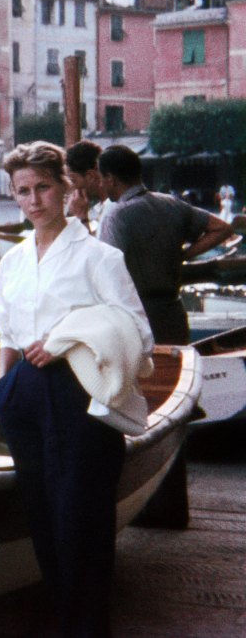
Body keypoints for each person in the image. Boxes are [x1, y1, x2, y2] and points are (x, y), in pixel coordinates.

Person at [0, 141, 152, 637]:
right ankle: (65, 618)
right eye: (23, 191)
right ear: (14, 196)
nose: (34, 199)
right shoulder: (13, 261)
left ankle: (88, 627)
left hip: (79, 393)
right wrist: (3, 391)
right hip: (23, 395)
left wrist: (66, 340)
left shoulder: (99, 257)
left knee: (80, 518)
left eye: (43, 187)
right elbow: (5, 331)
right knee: (41, 515)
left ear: (66, 188)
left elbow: (138, 331)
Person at [97, 144, 233, 529]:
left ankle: (145, 504)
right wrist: (184, 255)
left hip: (137, 319)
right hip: (173, 313)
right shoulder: (171, 205)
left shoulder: (116, 215)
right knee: (174, 411)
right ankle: (174, 506)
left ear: (109, 178)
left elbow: (106, 276)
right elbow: (222, 228)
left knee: (139, 409)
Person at [64, 139, 108, 236]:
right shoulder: (102, 207)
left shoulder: (111, 210)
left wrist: (81, 217)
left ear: (90, 176)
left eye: (72, 180)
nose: (69, 188)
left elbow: (95, 250)